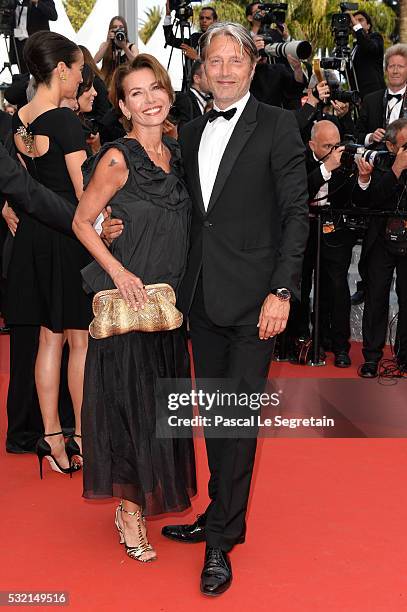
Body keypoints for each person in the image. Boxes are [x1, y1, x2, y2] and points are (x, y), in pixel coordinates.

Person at [160, 22, 309, 595]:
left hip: (255, 300)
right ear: (201, 69)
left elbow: (297, 214)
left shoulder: (276, 125)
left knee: (239, 421)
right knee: (217, 416)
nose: (223, 70)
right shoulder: (192, 130)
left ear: (251, 66)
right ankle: (220, 514)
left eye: (233, 60)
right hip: (202, 295)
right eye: (213, 61)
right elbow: (191, 213)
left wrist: (282, 290)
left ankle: (221, 541)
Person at [72, 54, 196, 563]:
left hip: (167, 308)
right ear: (123, 105)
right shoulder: (117, 159)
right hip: (129, 303)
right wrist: (119, 270)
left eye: (155, 89)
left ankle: (143, 498)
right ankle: (129, 510)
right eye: (137, 93)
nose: (149, 100)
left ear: (167, 93)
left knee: (160, 409)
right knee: (130, 408)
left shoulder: (179, 155)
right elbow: (82, 221)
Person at [6, 31, 92, 477]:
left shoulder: (19, 118)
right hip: (67, 237)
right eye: (78, 70)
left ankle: (52, 438)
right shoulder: (64, 120)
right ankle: (81, 437)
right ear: (60, 69)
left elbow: (23, 186)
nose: (80, 79)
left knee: (47, 339)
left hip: (31, 239)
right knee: (79, 340)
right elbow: (83, 193)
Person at [286, 120, 372, 366]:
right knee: (299, 285)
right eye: (327, 146)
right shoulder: (297, 159)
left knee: (336, 287)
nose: (335, 151)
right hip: (303, 231)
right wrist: (326, 168)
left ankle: (338, 345)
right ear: (312, 144)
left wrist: (363, 179)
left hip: (335, 231)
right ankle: (300, 339)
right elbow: (298, 192)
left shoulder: (344, 162)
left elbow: (358, 200)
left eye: (337, 145)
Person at [359, 118, 407, 377]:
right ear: (390, 146)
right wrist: (396, 170)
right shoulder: (378, 163)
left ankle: (404, 356)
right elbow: (372, 200)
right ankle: (371, 357)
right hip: (381, 241)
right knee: (376, 299)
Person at [348, 10, 385, 99]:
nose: (356, 23)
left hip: (374, 94)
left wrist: (357, 26)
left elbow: (369, 47)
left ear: (368, 26)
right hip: (359, 97)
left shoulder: (376, 37)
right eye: (354, 21)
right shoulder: (354, 48)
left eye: (360, 20)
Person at [12, 0, 58, 73]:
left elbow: (53, 16)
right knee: (23, 71)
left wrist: (37, 2)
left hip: (37, 41)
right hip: (19, 41)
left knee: (39, 69)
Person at [94, 16, 138, 90]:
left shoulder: (131, 47)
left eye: (121, 27)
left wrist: (124, 47)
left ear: (125, 30)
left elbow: (136, 63)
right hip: (106, 86)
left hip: (125, 85)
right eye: (115, 27)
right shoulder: (105, 45)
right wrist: (108, 42)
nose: (118, 29)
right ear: (110, 30)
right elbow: (95, 61)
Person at [170, 59, 212, 131]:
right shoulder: (183, 100)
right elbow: (183, 132)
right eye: (209, 75)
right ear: (197, 79)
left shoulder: (213, 100)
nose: (214, 78)